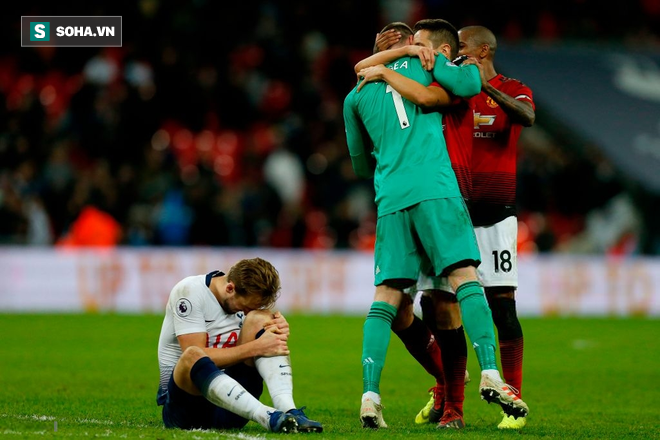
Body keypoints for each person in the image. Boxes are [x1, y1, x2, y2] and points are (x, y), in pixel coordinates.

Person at [343, 18, 528, 430]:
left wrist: (383, 71)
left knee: (387, 297)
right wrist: (415, 59)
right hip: (439, 190)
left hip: (390, 197)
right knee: (465, 280)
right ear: (414, 42)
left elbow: (358, 164)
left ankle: (370, 396)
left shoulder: (354, 93)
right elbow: (463, 88)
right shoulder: (430, 64)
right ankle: (490, 374)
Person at [354, 19, 476, 429]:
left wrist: (389, 67)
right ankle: (444, 383)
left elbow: (431, 95)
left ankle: (454, 406)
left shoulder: (440, 73)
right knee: (407, 307)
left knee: (443, 305)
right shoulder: (407, 68)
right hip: (416, 195)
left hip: (443, 192)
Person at [456, 25, 536, 430]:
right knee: (440, 305)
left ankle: (514, 401)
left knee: (502, 305)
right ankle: (448, 399)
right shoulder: (455, 88)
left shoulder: (513, 88)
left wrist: (488, 92)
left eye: (462, 45)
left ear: (483, 50)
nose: (456, 51)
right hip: (455, 210)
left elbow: (527, 116)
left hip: (497, 212)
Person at [156, 257, 323, 433]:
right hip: (187, 408)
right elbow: (196, 357)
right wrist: (257, 346)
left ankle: (290, 411)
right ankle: (268, 416)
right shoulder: (189, 291)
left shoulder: (245, 304)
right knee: (193, 354)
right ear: (230, 288)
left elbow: (260, 324)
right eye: (245, 308)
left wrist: (275, 329)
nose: (246, 313)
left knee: (264, 319)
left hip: (234, 405)